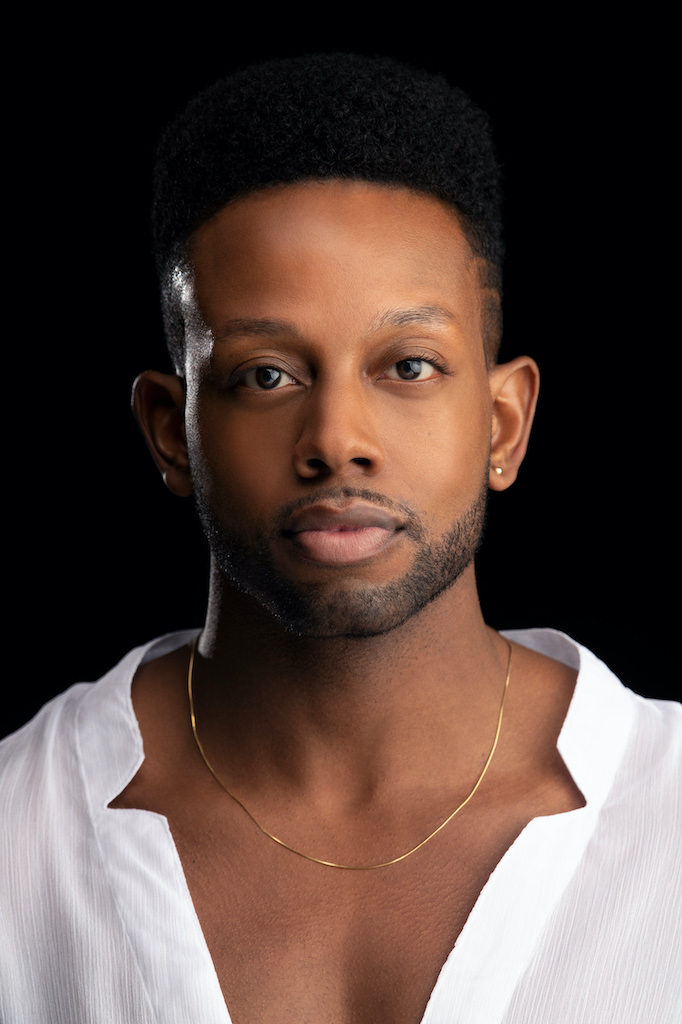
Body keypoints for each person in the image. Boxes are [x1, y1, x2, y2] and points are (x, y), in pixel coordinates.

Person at [1, 52, 679, 1024]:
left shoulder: (668, 814)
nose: (336, 440)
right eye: (265, 375)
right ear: (170, 431)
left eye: (408, 365)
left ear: (502, 425)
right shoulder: (16, 839)